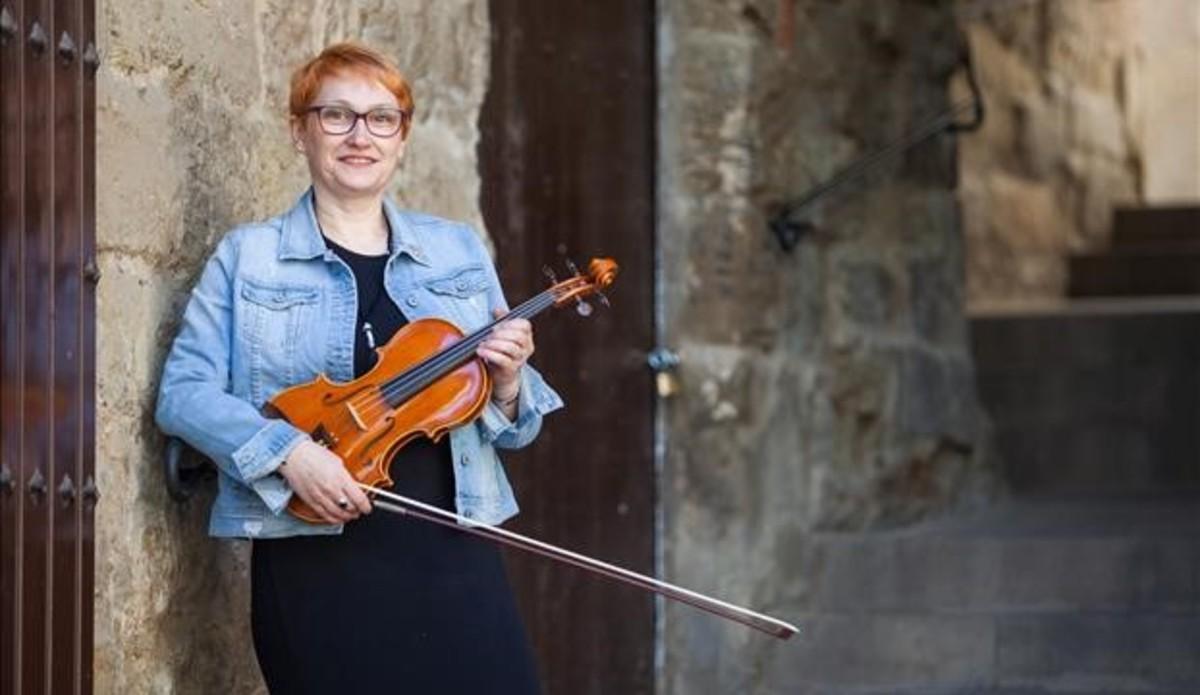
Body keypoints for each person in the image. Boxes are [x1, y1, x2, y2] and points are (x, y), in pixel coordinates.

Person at [155, 42, 562, 694]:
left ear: (401, 138)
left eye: (381, 118)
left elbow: (517, 427)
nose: (359, 135)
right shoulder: (249, 258)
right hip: (316, 559)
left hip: (454, 552)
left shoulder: (457, 251)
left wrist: (511, 383)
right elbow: (183, 394)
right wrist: (289, 453)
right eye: (335, 115)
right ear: (299, 130)